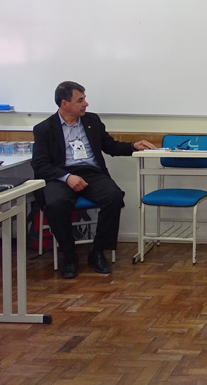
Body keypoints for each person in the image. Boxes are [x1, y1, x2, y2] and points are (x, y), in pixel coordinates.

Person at [31, 82, 155, 279]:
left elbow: (110, 146)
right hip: (60, 176)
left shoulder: (92, 121)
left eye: (85, 99)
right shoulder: (44, 128)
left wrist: (133, 146)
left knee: (113, 196)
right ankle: (69, 256)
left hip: (91, 172)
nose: (86, 104)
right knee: (56, 204)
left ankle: (97, 252)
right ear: (64, 104)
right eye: (80, 100)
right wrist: (67, 177)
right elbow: (40, 164)